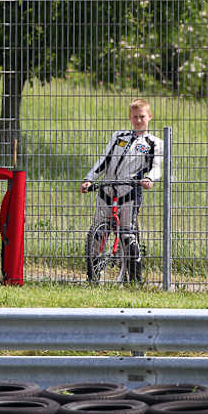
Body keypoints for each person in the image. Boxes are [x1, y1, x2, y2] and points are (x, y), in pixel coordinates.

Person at [80, 98, 164, 282]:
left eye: (142, 116)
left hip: (129, 192)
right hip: (107, 190)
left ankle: (134, 279)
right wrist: (89, 179)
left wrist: (150, 178)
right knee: (97, 233)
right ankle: (92, 276)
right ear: (130, 117)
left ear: (149, 117)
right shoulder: (119, 136)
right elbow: (104, 159)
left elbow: (157, 166)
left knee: (127, 234)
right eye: (135, 117)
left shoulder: (153, 142)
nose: (138, 120)